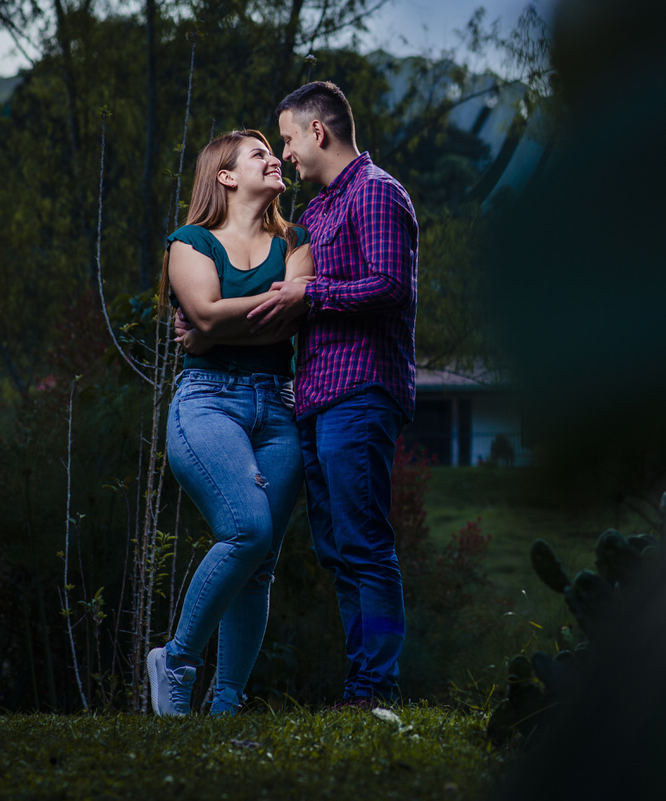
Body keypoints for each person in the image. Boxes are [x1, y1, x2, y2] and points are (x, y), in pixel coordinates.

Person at [248, 81, 419, 706]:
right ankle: (362, 683)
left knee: (365, 542)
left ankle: (378, 687)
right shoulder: (317, 213)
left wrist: (311, 295)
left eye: (289, 139)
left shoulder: (375, 193)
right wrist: (202, 319)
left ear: (318, 132)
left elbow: (389, 286)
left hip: (363, 391)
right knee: (337, 550)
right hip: (316, 400)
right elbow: (279, 294)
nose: (286, 154)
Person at [147, 129, 313, 716]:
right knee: (248, 529)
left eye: (275, 152)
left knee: (260, 566)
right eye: (260, 155)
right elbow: (206, 314)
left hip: (279, 405)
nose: (276, 160)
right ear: (225, 176)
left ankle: (226, 705)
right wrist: (273, 305)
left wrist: (220, 322)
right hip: (208, 402)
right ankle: (178, 660)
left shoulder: (294, 239)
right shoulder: (188, 242)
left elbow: (284, 322)